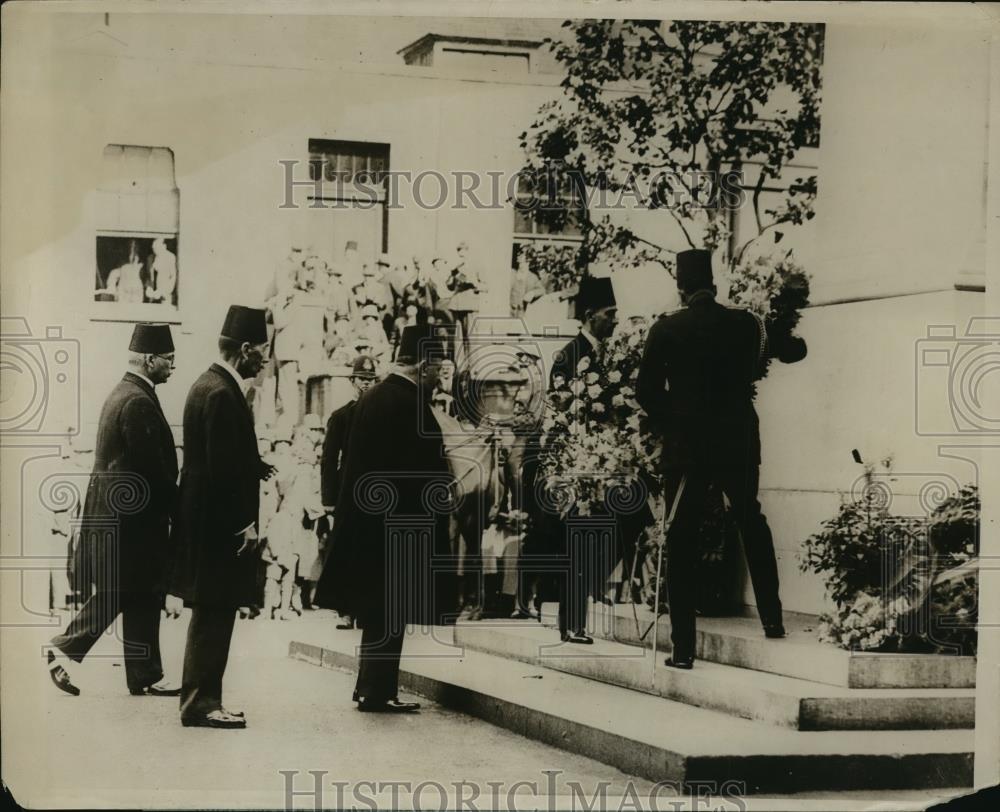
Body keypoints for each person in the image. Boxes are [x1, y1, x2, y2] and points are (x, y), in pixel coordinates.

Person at [636, 249, 808, 669]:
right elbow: (792, 351)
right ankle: (772, 619)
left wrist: (674, 418)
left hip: (689, 445)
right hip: (738, 439)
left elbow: (646, 393)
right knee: (749, 516)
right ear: (714, 286)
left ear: (681, 288)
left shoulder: (666, 328)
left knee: (681, 536)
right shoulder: (747, 323)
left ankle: (682, 649)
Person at [314, 325, 456, 712]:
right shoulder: (409, 403)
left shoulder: (373, 397)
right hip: (400, 526)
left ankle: (370, 687)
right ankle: (378, 691)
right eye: (437, 369)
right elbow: (422, 471)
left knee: (379, 613)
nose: (439, 377)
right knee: (389, 613)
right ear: (423, 365)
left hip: (370, 525)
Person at [46, 323, 180, 697]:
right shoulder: (138, 400)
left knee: (139, 593)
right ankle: (62, 647)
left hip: (119, 520)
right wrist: (178, 507)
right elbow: (152, 471)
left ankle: (146, 674)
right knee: (121, 591)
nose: (173, 366)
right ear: (150, 360)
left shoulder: (122, 393)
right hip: (132, 525)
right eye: (169, 360)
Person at [170, 305, 275, 728]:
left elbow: (219, 456)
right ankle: (202, 703)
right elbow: (222, 469)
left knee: (209, 613)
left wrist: (255, 462)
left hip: (204, 520)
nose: (265, 360)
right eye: (262, 352)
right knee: (215, 613)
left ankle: (199, 698)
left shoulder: (206, 385)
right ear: (245, 349)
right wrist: (243, 524)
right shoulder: (222, 393)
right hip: (221, 527)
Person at [320, 354, 377, 629]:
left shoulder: (381, 415)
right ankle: (344, 609)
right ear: (352, 381)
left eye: (370, 380)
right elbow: (329, 460)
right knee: (345, 549)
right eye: (361, 379)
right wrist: (329, 499)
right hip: (346, 493)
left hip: (374, 495)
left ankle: (365, 608)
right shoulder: (340, 416)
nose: (365, 384)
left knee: (369, 551)